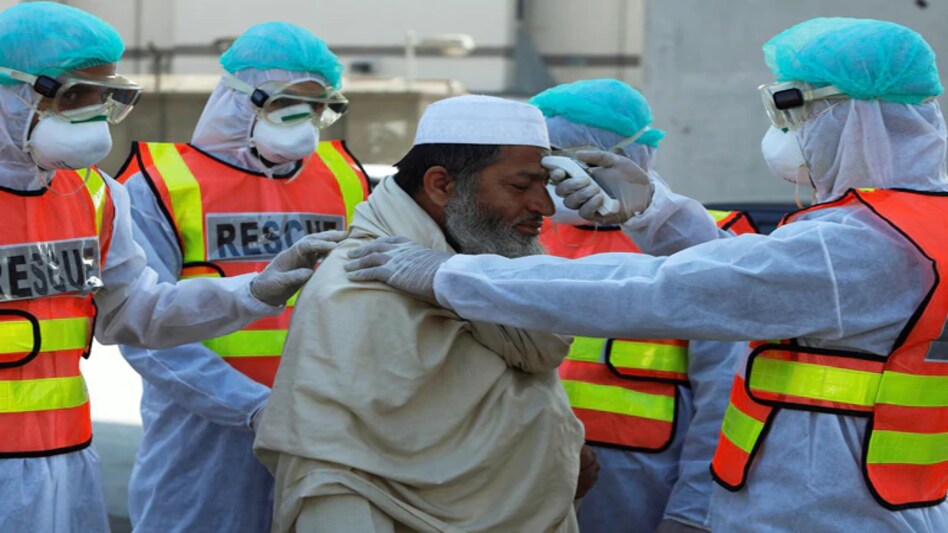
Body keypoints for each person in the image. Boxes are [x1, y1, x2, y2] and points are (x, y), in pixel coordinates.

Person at [346, 18, 948, 531]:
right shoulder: (904, 223)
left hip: (824, 506)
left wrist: (452, 276)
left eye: (795, 113)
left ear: (854, 117)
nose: (786, 136)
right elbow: (745, 277)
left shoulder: (861, 242)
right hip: (853, 495)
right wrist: (653, 211)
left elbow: (670, 291)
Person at [0, 4, 337, 532]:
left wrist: (253, 292)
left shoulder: (95, 196)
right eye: (73, 96)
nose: (91, 113)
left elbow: (140, 312)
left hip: (65, 455)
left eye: (103, 97)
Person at [254, 94, 585, 532]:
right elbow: (338, 474)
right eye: (520, 187)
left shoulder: (479, 259)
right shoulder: (356, 287)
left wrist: (549, 454)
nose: (543, 207)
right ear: (441, 185)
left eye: (544, 186)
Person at [114, 21, 369, 533]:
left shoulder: (345, 178)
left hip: (325, 427)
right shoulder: (161, 185)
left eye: (319, 105)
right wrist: (254, 409)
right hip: (204, 430)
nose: (308, 119)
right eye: (289, 103)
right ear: (239, 100)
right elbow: (145, 332)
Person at [533, 78, 752, 533]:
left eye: (564, 163)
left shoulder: (700, 241)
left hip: (645, 488)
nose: (549, 180)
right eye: (541, 163)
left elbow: (725, 398)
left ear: (621, 159)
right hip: (530, 476)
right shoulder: (528, 238)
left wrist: (693, 509)